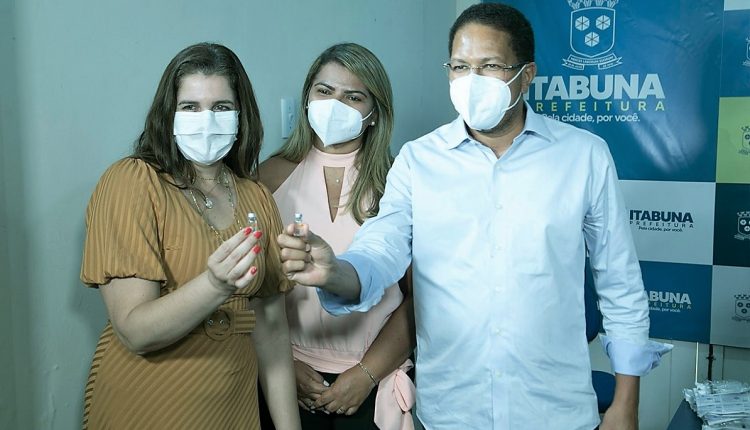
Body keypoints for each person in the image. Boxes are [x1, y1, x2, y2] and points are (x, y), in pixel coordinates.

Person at [276, 4, 672, 430]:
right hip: (452, 411)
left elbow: (619, 280)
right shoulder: (418, 160)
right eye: (461, 67)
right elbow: (381, 248)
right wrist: (337, 271)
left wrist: (625, 402)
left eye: (490, 66)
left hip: (554, 409)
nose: (472, 81)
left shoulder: (583, 156)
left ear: (526, 75)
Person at [80, 42, 301, 430]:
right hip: (146, 407)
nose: (206, 121)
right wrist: (215, 285)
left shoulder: (257, 197)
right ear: (169, 114)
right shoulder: (132, 183)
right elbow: (135, 330)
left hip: (233, 408)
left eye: (221, 107)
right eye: (190, 107)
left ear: (241, 116)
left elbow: (271, 332)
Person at [257, 43, 416, 430]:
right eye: (325, 91)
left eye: (353, 97)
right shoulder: (268, 177)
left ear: (375, 112)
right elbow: (252, 292)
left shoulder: (398, 183)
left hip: (373, 380)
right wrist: (284, 364)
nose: (335, 105)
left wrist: (366, 374)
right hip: (287, 377)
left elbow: (419, 300)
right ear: (307, 98)